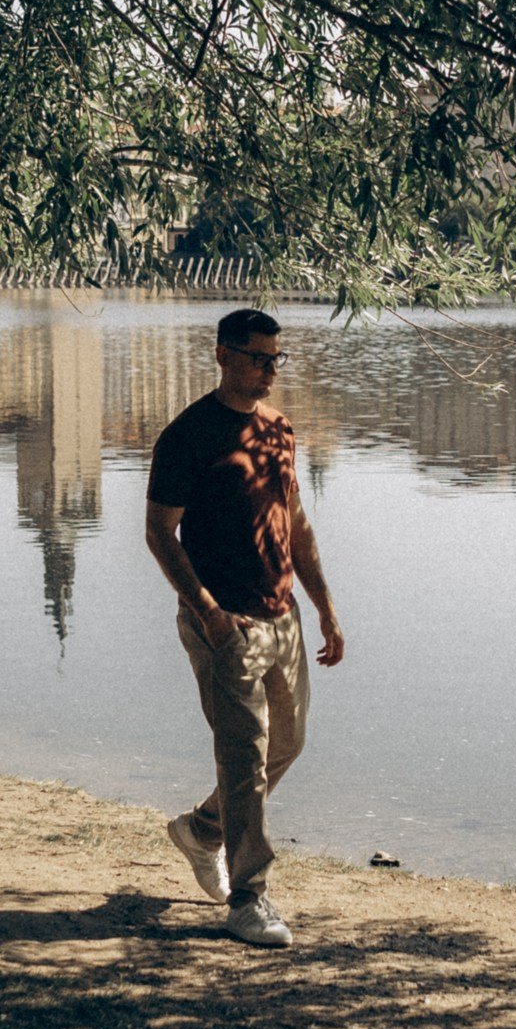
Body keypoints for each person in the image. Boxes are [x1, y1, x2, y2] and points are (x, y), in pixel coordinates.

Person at [143, 309, 344, 948]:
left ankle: (204, 830)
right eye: (258, 358)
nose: (269, 370)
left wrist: (325, 608)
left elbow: (297, 527)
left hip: (281, 616)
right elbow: (159, 533)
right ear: (224, 355)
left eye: (276, 359)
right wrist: (206, 612)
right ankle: (248, 898)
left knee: (286, 744)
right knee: (244, 753)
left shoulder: (279, 431)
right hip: (223, 620)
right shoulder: (188, 436)